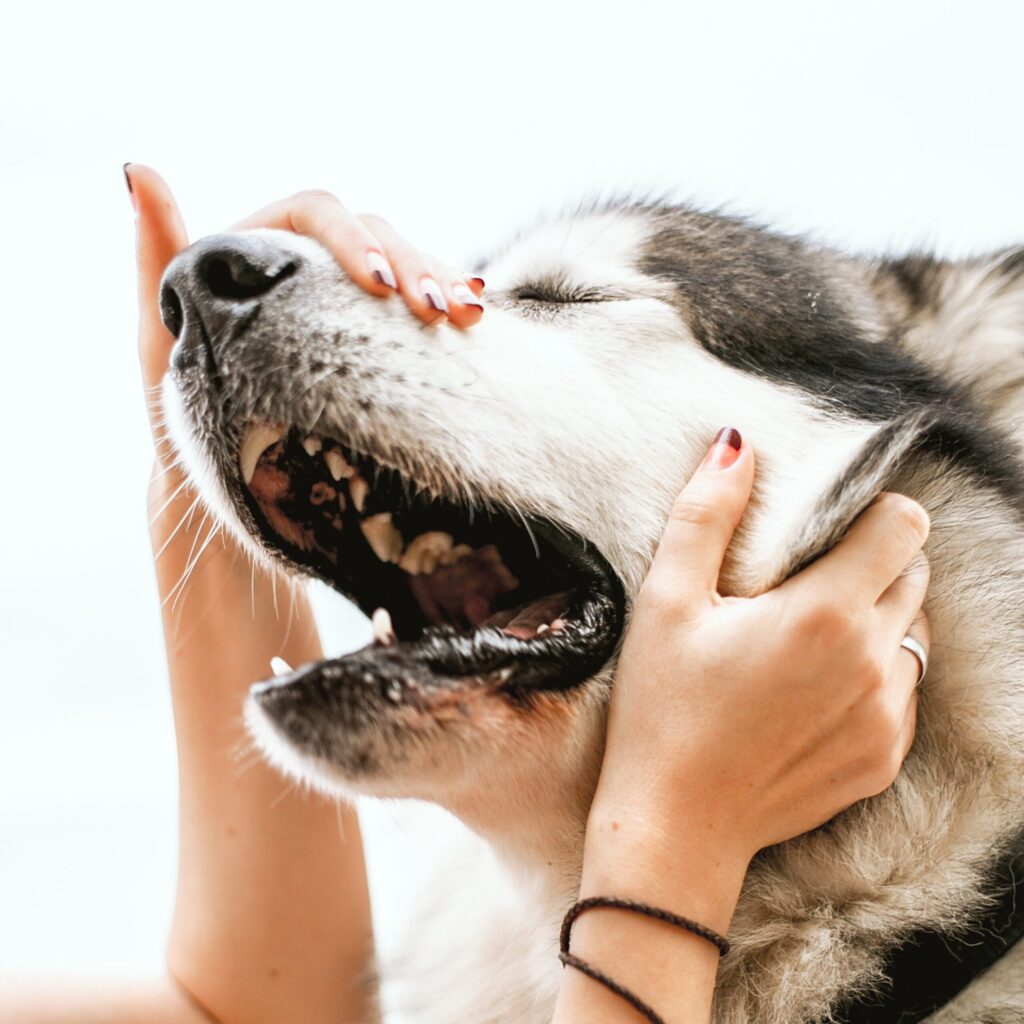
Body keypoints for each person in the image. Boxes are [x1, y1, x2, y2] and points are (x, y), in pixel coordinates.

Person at [0, 166, 930, 1024]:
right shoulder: (668, 844)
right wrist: (672, 842)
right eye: (571, 297)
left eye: (563, 298)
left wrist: (216, 437)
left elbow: (250, 1011)